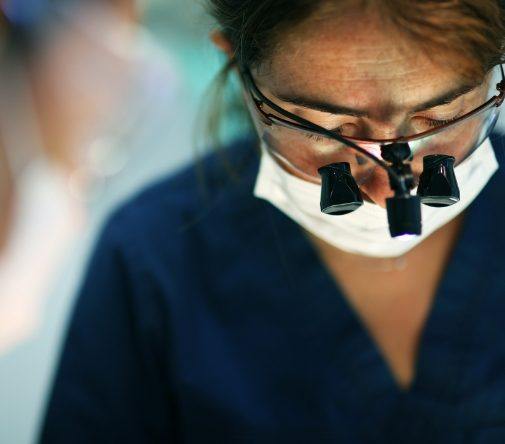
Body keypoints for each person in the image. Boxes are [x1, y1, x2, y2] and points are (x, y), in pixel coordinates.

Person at [40, 1, 505, 442]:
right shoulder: (154, 258)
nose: (388, 195)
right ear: (237, 67)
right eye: (328, 131)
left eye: (439, 119)